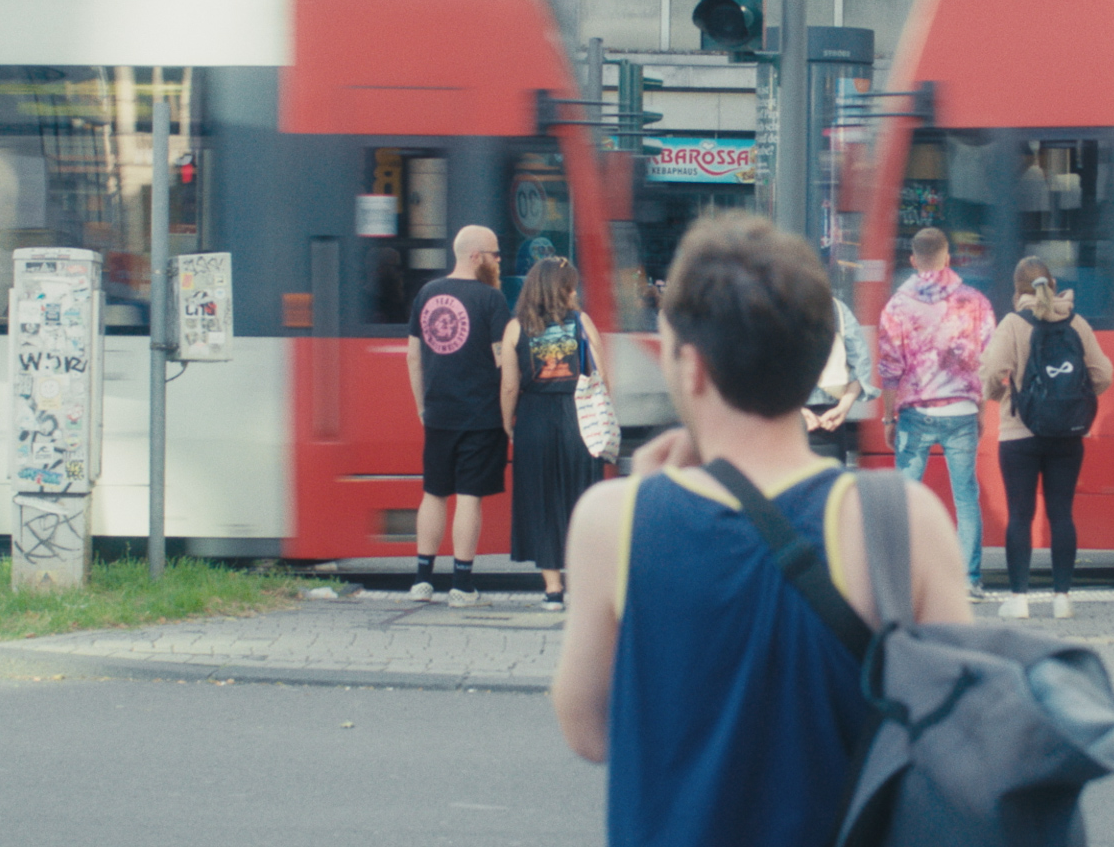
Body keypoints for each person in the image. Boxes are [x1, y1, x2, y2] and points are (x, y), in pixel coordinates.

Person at [550, 212, 972, 847]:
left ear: (691, 368)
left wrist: (650, 488)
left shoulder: (613, 522)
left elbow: (588, 731)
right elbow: (957, 738)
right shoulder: (904, 521)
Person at [981, 257, 1113, 621]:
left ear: (1017, 290)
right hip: (1067, 433)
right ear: (1053, 284)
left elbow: (993, 371)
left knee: (1020, 515)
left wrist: (1003, 397)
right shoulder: (1077, 322)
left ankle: (1019, 601)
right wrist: (1077, 395)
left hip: (1019, 434)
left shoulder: (1012, 324)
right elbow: (1104, 374)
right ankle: (1062, 599)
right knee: (1061, 513)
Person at [877, 227, 997, 600]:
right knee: (965, 497)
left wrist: (887, 418)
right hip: (961, 409)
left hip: (915, 412)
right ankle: (968, 580)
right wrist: (979, 408)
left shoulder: (897, 305)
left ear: (913, 260)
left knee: (907, 498)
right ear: (948, 258)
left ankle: (905, 581)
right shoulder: (974, 301)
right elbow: (988, 359)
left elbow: (889, 367)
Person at [406, 225, 511, 608]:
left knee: (433, 493)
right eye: (495, 254)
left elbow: (413, 356)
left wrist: (422, 405)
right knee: (468, 497)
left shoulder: (427, 294)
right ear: (475, 256)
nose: (499, 261)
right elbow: (504, 360)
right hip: (481, 415)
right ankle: (461, 586)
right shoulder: (491, 299)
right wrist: (509, 411)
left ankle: (421, 581)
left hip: (438, 413)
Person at [499, 256, 609, 611]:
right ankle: (585, 583)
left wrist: (507, 424)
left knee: (542, 499)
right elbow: (600, 378)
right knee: (581, 497)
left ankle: (553, 589)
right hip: (579, 416)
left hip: (534, 419)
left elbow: (510, 387)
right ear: (565, 289)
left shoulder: (516, 328)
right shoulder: (583, 322)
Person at [801, 295, 877, 465]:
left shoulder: (773, 308)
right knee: (830, 487)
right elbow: (860, 364)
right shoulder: (836, 308)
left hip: (787, 423)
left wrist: (799, 412)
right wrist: (843, 407)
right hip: (831, 420)